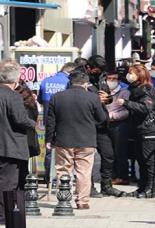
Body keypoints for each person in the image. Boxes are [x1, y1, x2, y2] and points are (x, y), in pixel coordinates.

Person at [46, 71, 107, 209]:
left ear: (70, 82)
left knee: (63, 170)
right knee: (84, 172)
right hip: (86, 140)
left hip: (63, 140)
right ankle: (82, 201)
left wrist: (49, 139)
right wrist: (91, 124)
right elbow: (102, 118)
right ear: (85, 83)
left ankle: (64, 200)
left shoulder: (57, 97)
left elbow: (51, 121)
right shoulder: (92, 98)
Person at [0, 59, 36, 224]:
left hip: (5, 145)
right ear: (15, 81)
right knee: (9, 183)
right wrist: (33, 123)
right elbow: (20, 119)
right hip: (10, 147)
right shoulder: (13, 96)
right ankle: (4, 214)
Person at [83, 55, 125, 197]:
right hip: (87, 123)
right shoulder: (80, 77)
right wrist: (96, 99)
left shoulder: (101, 77)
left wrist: (108, 98)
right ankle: (88, 187)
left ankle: (106, 185)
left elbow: (106, 95)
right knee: (87, 158)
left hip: (101, 123)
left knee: (108, 155)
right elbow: (77, 97)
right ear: (89, 67)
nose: (99, 72)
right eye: (97, 69)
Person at [117, 65, 155, 198]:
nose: (129, 76)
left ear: (140, 75)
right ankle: (142, 187)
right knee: (140, 159)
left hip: (148, 128)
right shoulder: (133, 88)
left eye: (132, 73)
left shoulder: (147, 89)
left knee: (149, 160)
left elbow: (145, 108)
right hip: (138, 128)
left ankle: (150, 189)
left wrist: (125, 103)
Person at [38, 62, 76, 184]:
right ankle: (62, 179)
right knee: (65, 153)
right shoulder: (68, 83)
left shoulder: (46, 81)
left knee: (49, 149)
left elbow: (40, 99)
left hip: (47, 121)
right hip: (64, 122)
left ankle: (48, 177)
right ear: (71, 73)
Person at [105, 70, 130, 185]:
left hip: (119, 125)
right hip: (106, 124)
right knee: (109, 152)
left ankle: (122, 176)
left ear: (118, 81)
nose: (111, 81)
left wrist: (113, 116)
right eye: (109, 79)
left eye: (114, 79)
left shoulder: (124, 92)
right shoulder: (103, 92)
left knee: (120, 151)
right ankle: (112, 175)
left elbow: (127, 111)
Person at [15, 81, 40, 190]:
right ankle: (21, 199)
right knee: (23, 170)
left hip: (17, 140)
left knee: (15, 173)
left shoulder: (16, 102)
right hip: (27, 141)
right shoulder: (31, 102)